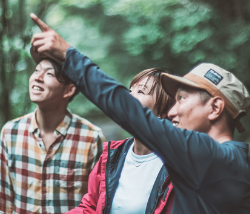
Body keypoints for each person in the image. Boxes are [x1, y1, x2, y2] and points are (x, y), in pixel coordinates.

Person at [30, 14, 250, 214]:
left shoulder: (204, 155)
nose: (172, 110)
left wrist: (68, 55)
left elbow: (126, 110)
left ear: (215, 108)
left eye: (181, 98)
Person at [0, 56, 105, 214]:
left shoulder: (91, 138)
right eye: (37, 70)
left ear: (69, 90)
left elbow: (98, 205)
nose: (37, 77)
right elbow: (1, 204)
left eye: (49, 74)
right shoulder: (11, 132)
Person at [68, 68, 175, 214]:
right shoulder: (112, 156)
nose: (128, 96)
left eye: (141, 91)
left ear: (163, 111)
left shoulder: (178, 166)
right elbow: (90, 207)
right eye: (130, 90)